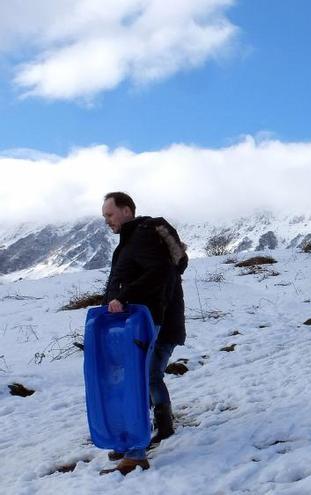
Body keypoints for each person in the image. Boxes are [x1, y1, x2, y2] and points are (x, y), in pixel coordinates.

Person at [100, 192, 188, 475]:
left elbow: (159, 272)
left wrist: (124, 298)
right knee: (143, 378)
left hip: (147, 321)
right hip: (141, 321)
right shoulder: (132, 239)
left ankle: (137, 449)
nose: (107, 221)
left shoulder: (142, 236)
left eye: (109, 215)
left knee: (138, 381)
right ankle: (140, 438)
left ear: (126, 211)